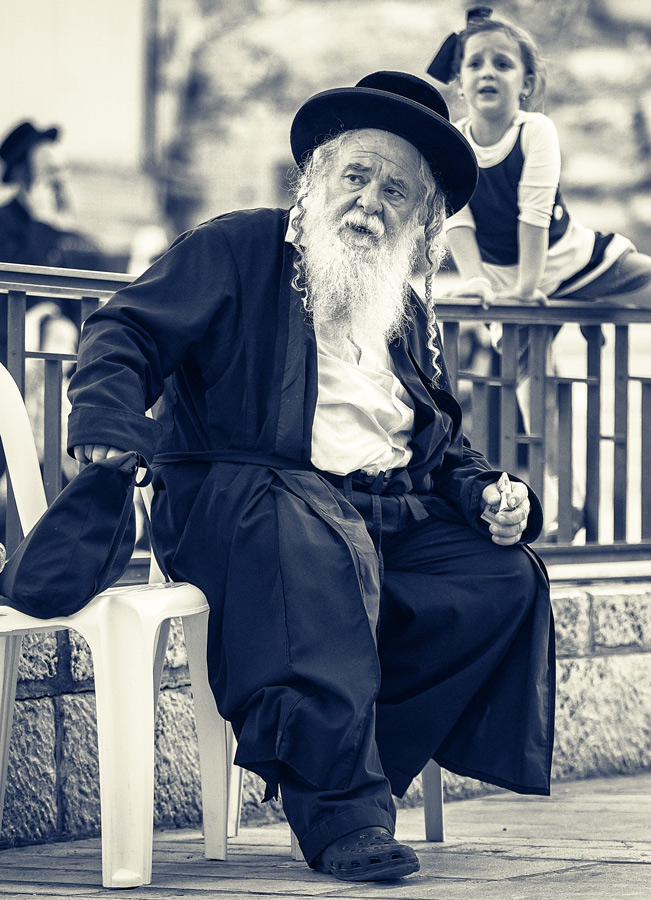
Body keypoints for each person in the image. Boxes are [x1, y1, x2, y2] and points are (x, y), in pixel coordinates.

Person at [66, 71, 554, 883]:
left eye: (396, 190)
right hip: (245, 500)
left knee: (499, 579)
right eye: (355, 175)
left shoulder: (404, 303)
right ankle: (339, 816)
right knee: (313, 539)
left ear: (422, 218)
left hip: (371, 512)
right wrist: (110, 431)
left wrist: (491, 494)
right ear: (316, 179)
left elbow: (434, 444)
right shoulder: (237, 246)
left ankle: (340, 773)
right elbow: (123, 334)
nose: (369, 200)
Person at [427, 6, 651, 536]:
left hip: (570, 262)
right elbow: (456, 220)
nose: (487, 72)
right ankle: (566, 508)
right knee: (535, 403)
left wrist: (529, 290)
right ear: (459, 83)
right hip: (512, 283)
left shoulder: (537, 131)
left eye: (503, 64)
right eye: (475, 63)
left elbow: (533, 211)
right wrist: (482, 283)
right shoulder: (453, 142)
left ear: (525, 84)